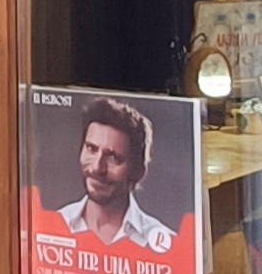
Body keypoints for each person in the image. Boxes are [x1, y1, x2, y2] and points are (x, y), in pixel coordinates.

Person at [45, 98, 174, 252]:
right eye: (91, 149)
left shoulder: (166, 245)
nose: (97, 167)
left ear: (138, 172)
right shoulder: (51, 227)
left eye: (114, 158)